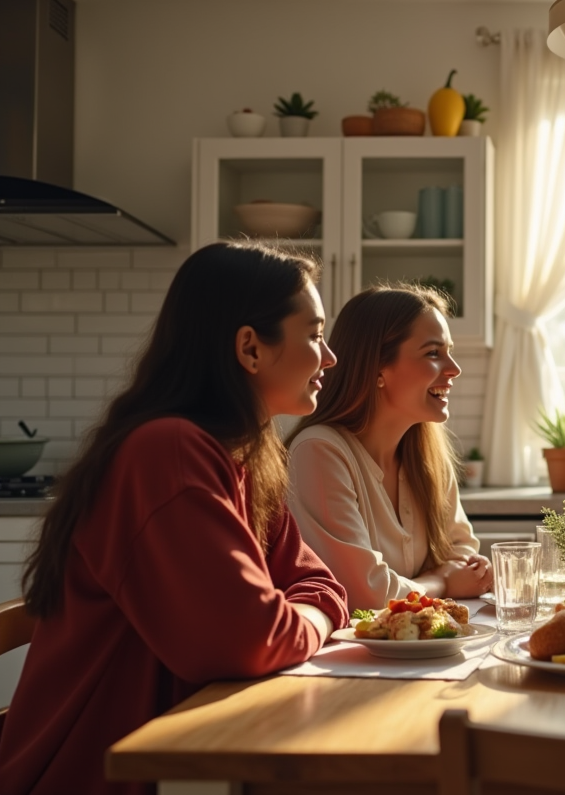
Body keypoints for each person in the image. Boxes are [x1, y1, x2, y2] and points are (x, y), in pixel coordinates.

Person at [0, 243, 348, 795]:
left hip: (186, 762)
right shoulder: (167, 453)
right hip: (100, 775)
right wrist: (316, 618)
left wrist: (305, 610)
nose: (328, 357)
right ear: (250, 348)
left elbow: (319, 583)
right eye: (314, 333)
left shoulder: (245, 455)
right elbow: (249, 640)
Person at [286, 284, 491, 611]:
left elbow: (462, 552)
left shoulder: (428, 455)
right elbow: (363, 592)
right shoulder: (318, 452)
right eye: (433, 353)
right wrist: (441, 582)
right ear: (378, 367)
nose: (454, 369)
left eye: (449, 351)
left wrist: (453, 576)